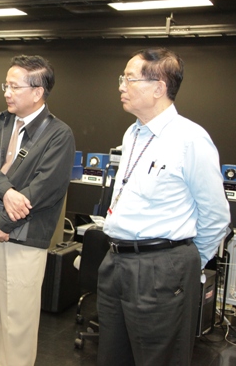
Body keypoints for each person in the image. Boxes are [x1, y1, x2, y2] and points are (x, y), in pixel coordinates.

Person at [97, 48, 231, 366]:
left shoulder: (190, 139)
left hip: (161, 269)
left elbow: (216, 216)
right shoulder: (133, 133)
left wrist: (182, 265)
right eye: (122, 78)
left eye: (129, 79)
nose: (121, 86)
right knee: (112, 356)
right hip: (116, 262)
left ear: (158, 87)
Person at [0, 54, 75, 366]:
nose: (7, 92)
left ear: (38, 92)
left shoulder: (59, 134)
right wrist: (8, 192)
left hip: (24, 238)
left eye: (15, 87)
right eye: (6, 85)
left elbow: (45, 188)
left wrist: (4, 221)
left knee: (17, 323)